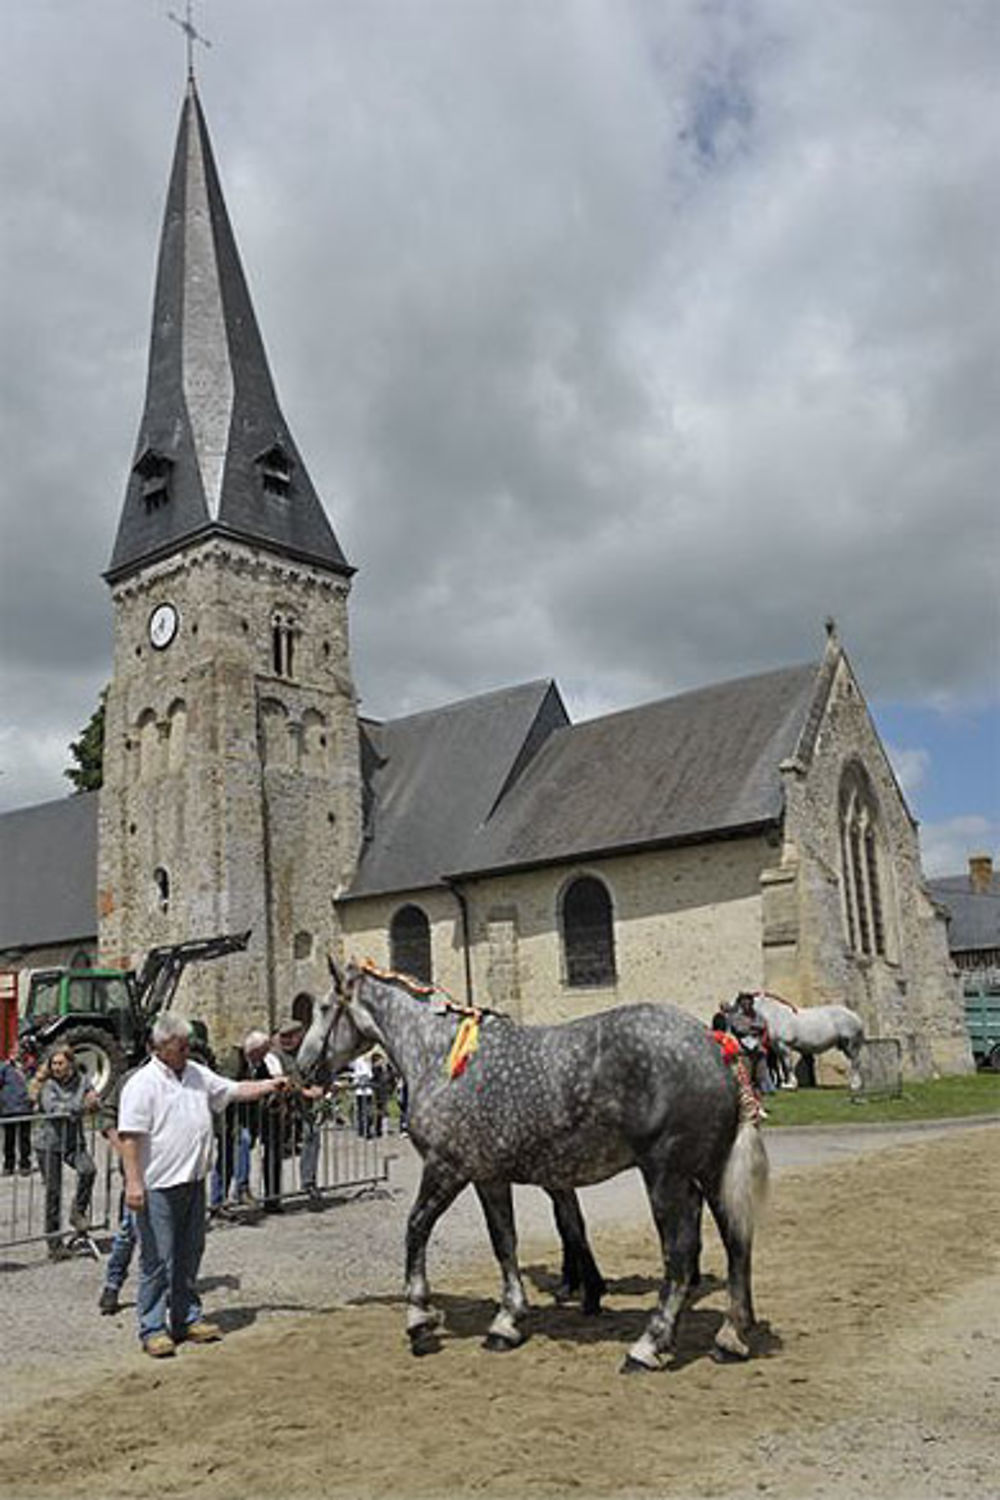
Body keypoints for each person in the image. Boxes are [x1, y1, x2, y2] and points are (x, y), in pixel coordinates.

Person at [117, 1013, 287, 1358]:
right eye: (181, 1046)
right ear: (162, 1047)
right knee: (157, 1260)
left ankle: (186, 1317)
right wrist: (134, 1183)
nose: (187, 1051)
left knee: (189, 1253)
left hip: (193, 1182)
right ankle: (152, 1327)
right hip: (158, 1185)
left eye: (188, 1045)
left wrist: (272, 1085)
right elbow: (130, 1137)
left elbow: (233, 1089)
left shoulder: (195, 1073)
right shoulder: (142, 1083)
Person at [34, 1045, 99, 1260]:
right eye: (53, 1063)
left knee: (88, 1170)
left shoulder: (82, 1080)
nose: (57, 1067)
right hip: (48, 1144)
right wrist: (81, 1106)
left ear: (70, 1063)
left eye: (61, 1063)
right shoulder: (48, 1085)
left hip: (73, 1142)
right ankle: (54, 1244)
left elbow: (93, 1096)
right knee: (53, 1192)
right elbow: (55, 1110)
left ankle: (77, 1212)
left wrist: (93, 1100)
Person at [266, 1017, 326, 1211]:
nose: (286, 1040)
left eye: (290, 1036)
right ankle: (271, 1196)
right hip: (280, 1106)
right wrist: (304, 1091)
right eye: (283, 1036)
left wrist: (321, 1085)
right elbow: (281, 1080)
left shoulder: (304, 1054)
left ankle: (308, 1181)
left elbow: (317, 1072)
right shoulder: (274, 1055)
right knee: (273, 1150)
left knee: (313, 1135)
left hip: (301, 1106)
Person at [0, 1050, 33, 1176]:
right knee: (9, 1139)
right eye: (14, 1052)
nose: (16, 1054)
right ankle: (8, 1165)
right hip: (8, 1109)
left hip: (25, 1108)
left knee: (24, 1139)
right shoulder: (4, 1067)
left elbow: (35, 1082)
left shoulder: (27, 1067)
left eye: (18, 1052)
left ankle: (25, 1164)